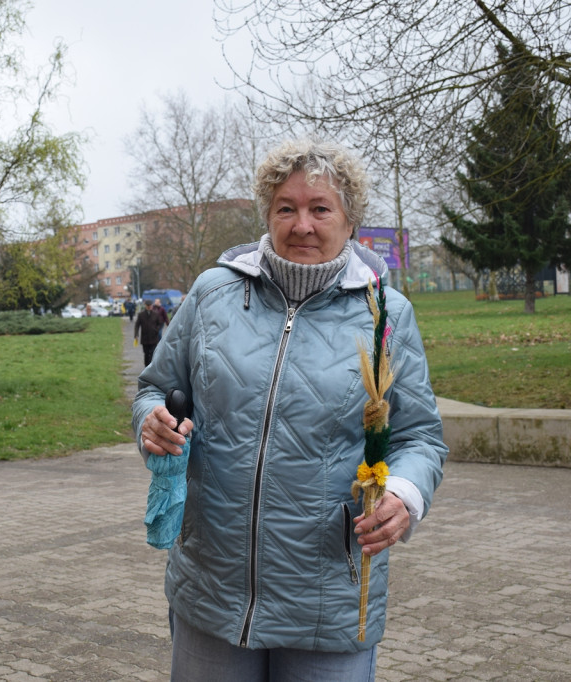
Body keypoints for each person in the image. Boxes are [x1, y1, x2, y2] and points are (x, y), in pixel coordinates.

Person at [132, 137, 447, 681]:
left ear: (350, 222)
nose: (302, 224)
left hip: (329, 594)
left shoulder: (385, 315)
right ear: (268, 216)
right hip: (213, 588)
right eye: (287, 208)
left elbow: (420, 437)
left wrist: (405, 494)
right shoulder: (212, 294)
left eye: (320, 208)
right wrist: (152, 423)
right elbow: (153, 390)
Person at [134, 299, 164, 367]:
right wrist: (136, 335)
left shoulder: (156, 314)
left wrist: (156, 330)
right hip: (145, 338)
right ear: (145, 306)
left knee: (153, 353)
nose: (149, 307)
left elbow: (160, 323)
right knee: (146, 353)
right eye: (147, 306)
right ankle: (146, 366)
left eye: (150, 306)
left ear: (152, 306)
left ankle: (151, 367)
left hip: (153, 337)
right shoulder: (141, 315)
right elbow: (137, 325)